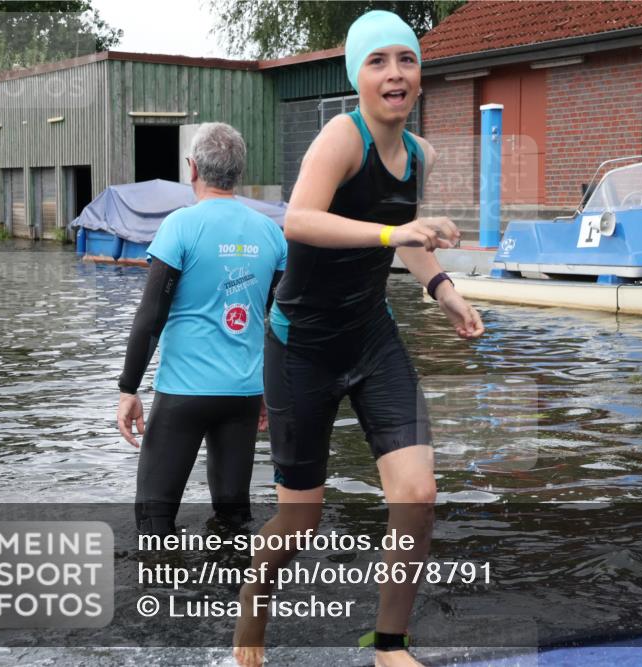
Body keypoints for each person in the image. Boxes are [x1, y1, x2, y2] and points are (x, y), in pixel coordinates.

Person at [232, 10, 484, 667]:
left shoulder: (419, 154)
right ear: (359, 76)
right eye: (378, 61)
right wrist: (390, 236)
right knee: (300, 522)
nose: (395, 73)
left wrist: (447, 294)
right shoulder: (340, 140)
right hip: (302, 347)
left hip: (371, 337)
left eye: (406, 59)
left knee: (418, 494)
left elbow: (415, 242)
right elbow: (299, 221)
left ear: (420, 76)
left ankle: (389, 645)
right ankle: (250, 617)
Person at [117, 122, 288, 536]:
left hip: (184, 395)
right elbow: (268, 319)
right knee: (234, 520)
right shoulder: (271, 233)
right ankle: (236, 595)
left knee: (154, 521)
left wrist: (128, 389)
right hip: (243, 396)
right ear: (239, 171)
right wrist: (266, 390)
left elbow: (150, 316)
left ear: (191, 169)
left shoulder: (180, 225)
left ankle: (160, 596)